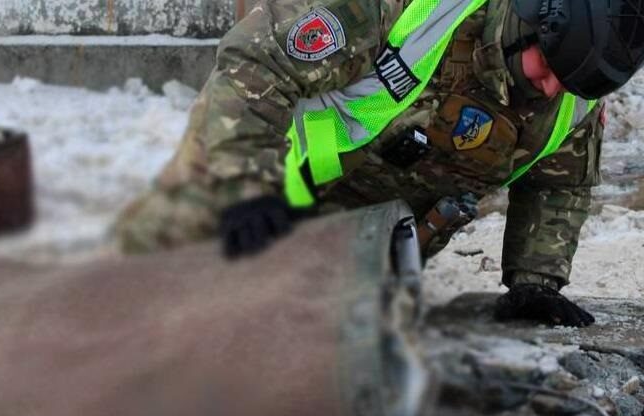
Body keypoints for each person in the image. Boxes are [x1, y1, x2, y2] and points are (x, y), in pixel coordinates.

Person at [115, 0, 644, 327]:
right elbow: (255, 62)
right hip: (251, 194)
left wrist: (535, 280)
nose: (550, 89)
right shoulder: (410, 11)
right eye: (546, 67)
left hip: (359, 252)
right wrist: (244, 185)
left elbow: (559, 184)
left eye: (567, 84)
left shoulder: (571, 92)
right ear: (530, 18)